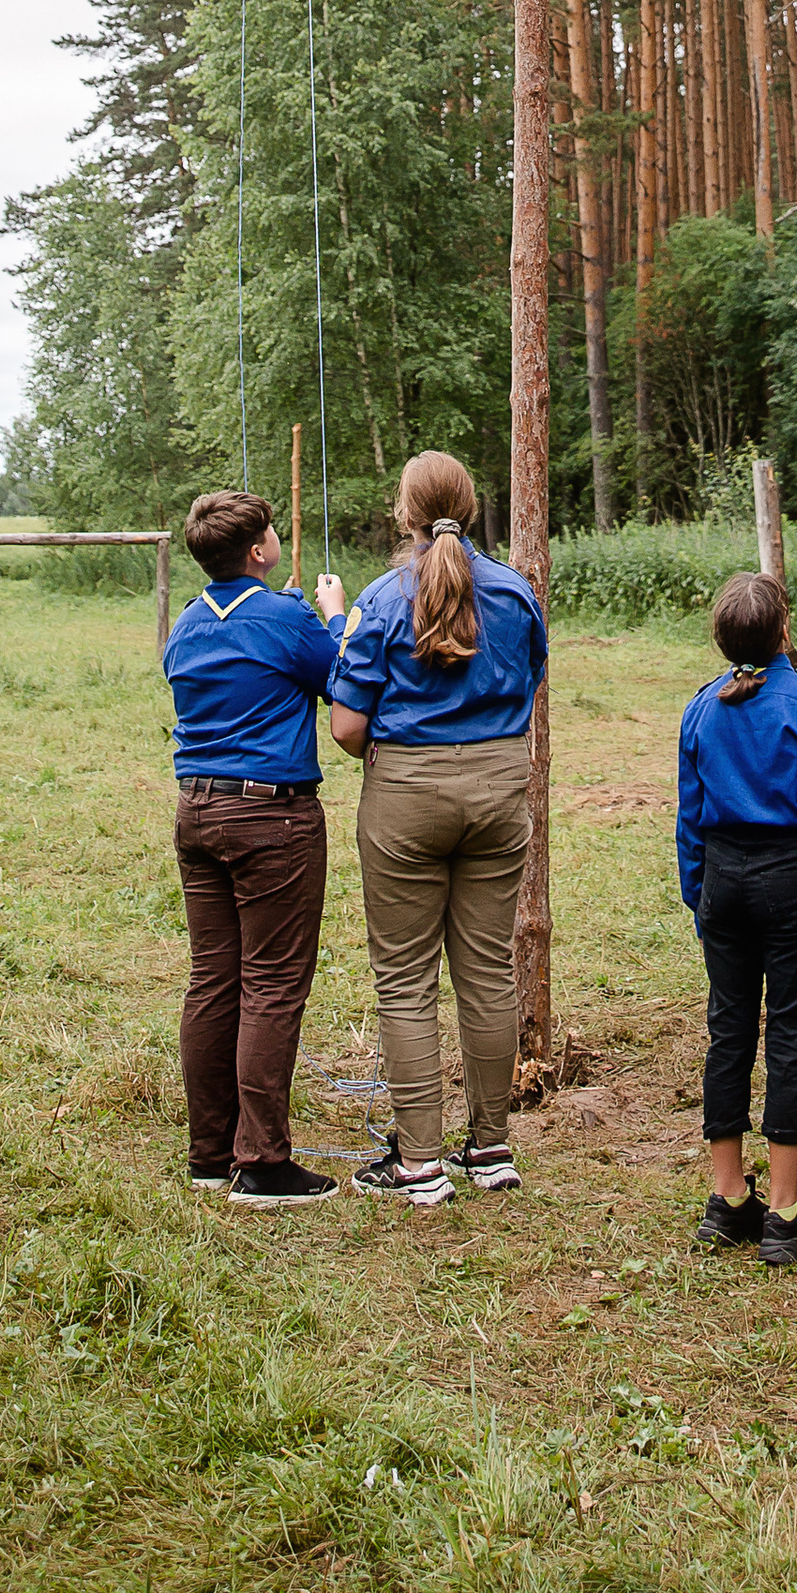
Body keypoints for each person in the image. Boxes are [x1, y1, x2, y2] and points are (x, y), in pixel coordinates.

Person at [325, 449, 548, 1207]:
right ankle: (490, 1149)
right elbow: (529, 682)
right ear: (473, 507)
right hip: (498, 788)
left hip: (408, 794)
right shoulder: (518, 595)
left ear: (404, 513)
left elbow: (348, 730)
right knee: (487, 973)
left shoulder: (383, 599)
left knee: (406, 977)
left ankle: (418, 1160)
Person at [164, 485, 349, 1208]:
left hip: (197, 810)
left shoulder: (184, 624)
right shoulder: (287, 616)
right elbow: (340, 679)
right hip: (271, 818)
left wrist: (289, 613)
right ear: (257, 551)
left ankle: (210, 1153)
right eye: (269, 530)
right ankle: (264, 1161)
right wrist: (332, 618)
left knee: (214, 980)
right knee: (272, 983)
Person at [676, 570, 797, 1270]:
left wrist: (700, 895)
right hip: (791, 884)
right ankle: (782, 1211)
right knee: (789, 1035)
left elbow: (688, 816)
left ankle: (727, 1198)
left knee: (728, 1030)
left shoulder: (701, 709)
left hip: (724, 880)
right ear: (784, 629)